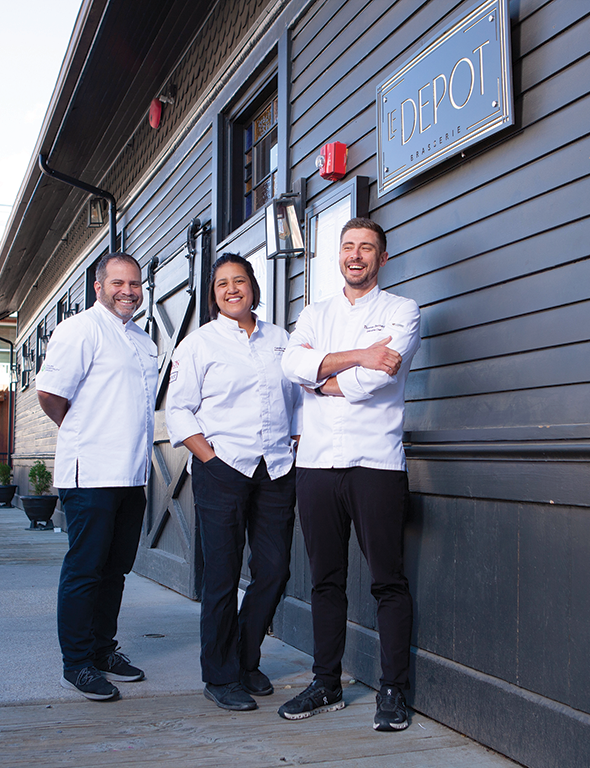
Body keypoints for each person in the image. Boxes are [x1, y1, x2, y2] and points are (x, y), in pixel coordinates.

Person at [278, 217, 420, 731]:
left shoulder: (403, 310)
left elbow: (381, 379)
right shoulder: (314, 313)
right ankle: (325, 684)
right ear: (337, 255)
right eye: (348, 246)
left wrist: (324, 378)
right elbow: (292, 364)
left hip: (375, 463)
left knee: (388, 581)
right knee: (324, 582)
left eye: (367, 248)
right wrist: (358, 355)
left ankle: (394, 692)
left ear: (382, 259)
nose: (356, 255)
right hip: (316, 463)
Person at [166, 254, 301, 712]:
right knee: (222, 576)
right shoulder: (198, 343)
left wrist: (296, 440)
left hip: (276, 469)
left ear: (252, 287)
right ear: (214, 295)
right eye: (221, 283)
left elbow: (297, 397)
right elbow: (178, 409)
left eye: (238, 280)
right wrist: (209, 456)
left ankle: (245, 659)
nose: (230, 289)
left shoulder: (281, 340)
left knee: (275, 569)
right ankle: (220, 676)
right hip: (222, 468)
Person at [36, 252, 157, 702]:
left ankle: (104, 650)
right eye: (118, 283)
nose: (128, 290)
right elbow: (50, 394)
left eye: (135, 283)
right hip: (91, 474)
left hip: (132, 473)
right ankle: (78, 664)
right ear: (99, 286)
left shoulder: (142, 340)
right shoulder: (79, 330)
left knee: (115, 570)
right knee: (85, 570)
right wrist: (83, 431)